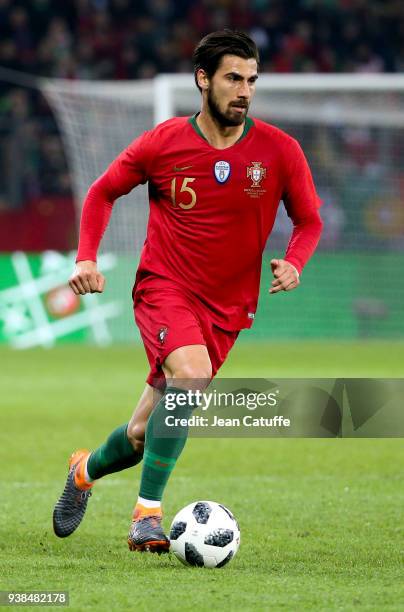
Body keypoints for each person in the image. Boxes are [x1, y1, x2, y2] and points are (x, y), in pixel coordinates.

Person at [53, 29, 323, 553]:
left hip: (228, 310)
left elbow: (309, 221)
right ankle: (146, 515)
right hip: (164, 288)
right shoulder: (162, 143)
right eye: (232, 78)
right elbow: (102, 191)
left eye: (251, 80)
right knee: (193, 376)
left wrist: (294, 262)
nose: (244, 90)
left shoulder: (279, 151)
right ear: (203, 80)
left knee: (140, 435)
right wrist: (85, 256)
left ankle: (83, 471)